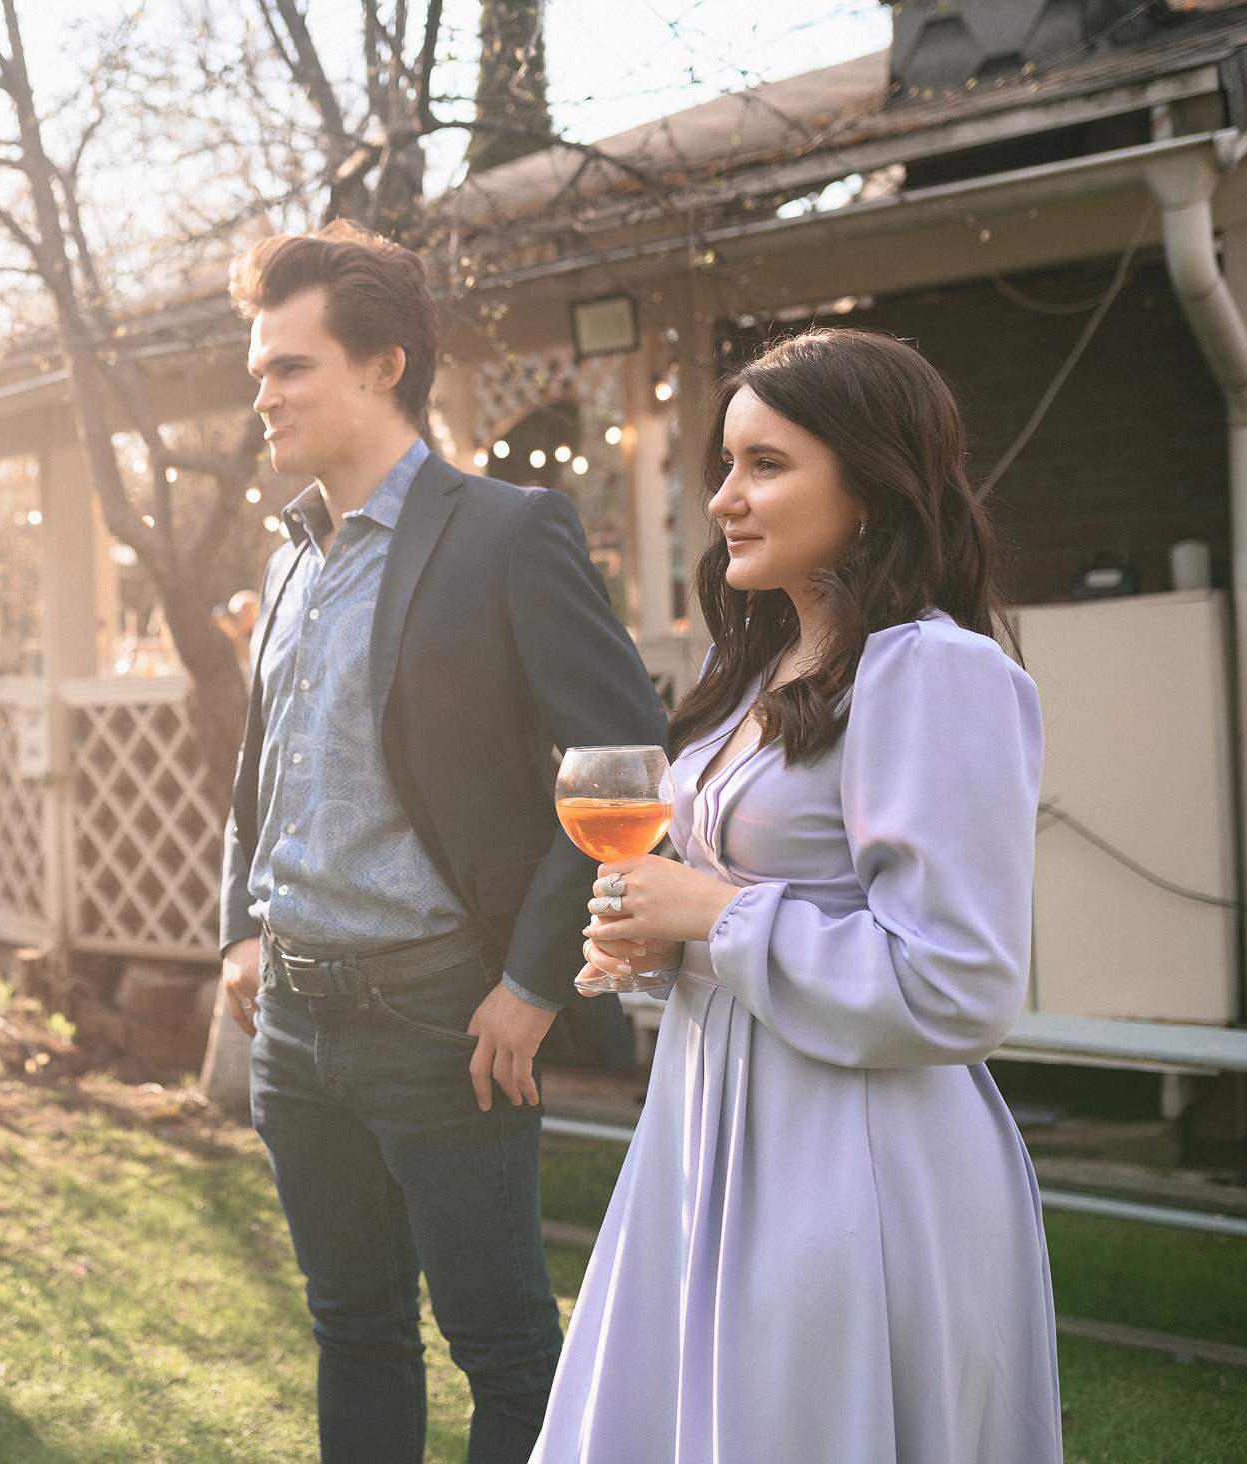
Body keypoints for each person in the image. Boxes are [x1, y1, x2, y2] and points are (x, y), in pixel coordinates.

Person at [534, 329, 1061, 1462]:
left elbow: (960, 985)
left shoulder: (932, 672)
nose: (725, 498)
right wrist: (660, 939)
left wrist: (708, 915)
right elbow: (730, 910)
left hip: (852, 1165)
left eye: (766, 465)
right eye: (725, 465)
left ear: (871, 484)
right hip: (701, 1137)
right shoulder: (755, 680)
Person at [216, 222, 666, 1463]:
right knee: (352, 1329)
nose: (263, 395)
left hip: (444, 1024)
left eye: (290, 368)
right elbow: (258, 769)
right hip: (293, 1028)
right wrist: (239, 931)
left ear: (382, 366)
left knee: (504, 1349)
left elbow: (622, 769)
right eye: (258, 370)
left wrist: (533, 983)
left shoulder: (509, 532)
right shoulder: (289, 557)